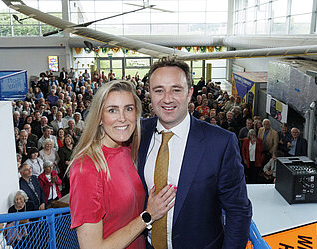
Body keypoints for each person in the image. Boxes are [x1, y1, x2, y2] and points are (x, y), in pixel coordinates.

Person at [139, 57, 252, 249]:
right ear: (149, 93)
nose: (167, 98)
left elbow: (238, 211)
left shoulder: (220, 142)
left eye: (176, 89)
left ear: (190, 93)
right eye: (159, 90)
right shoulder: (138, 134)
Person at [69, 80, 175, 249]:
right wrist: (148, 215)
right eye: (112, 110)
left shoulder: (129, 150)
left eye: (128, 109)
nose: (123, 118)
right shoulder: (87, 167)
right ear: (99, 118)